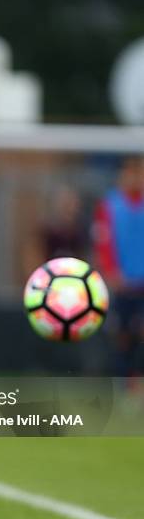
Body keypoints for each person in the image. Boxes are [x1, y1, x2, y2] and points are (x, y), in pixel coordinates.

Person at [92, 156, 144, 376]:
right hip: (121, 282)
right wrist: (111, 272)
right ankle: (124, 380)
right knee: (122, 334)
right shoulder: (109, 205)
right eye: (131, 173)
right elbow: (102, 242)